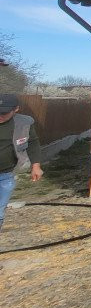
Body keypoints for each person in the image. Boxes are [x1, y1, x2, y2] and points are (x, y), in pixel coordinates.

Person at [0, 93, 42, 230]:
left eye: (4, 113)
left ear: (16, 109)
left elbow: (33, 143)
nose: (0, 115)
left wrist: (36, 166)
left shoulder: (23, 123)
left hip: (5, 176)